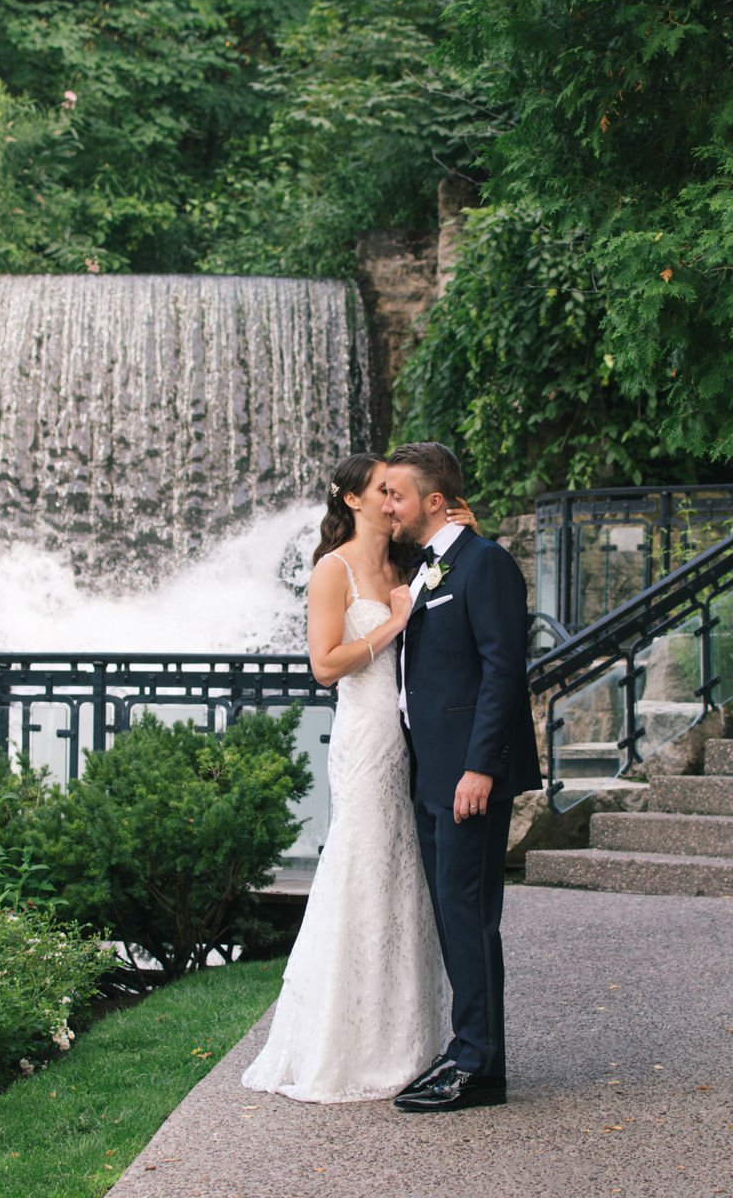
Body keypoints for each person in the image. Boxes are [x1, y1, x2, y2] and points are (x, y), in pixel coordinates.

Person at [241, 452, 478, 1103]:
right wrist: (396, 621)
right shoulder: (332, 569)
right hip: (367, 738)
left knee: (405, 883)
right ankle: (349, 1046)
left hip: (414, 739)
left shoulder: (407, 564)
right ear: (353, 499)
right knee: (365, 870)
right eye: (382, 488)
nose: (391, 496)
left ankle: (410, 1039)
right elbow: (324, 666)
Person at [382, 441, 542, 1114]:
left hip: (467, 775)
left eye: (396, 494)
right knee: (454, 915)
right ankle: (470, 1051)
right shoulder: (426, 570)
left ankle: (477, 1065)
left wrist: (480, 766)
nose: (387, 504)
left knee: (469, 915)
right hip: (431, 771)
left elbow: (503, 670)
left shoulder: (486, 564)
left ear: (435, 501)